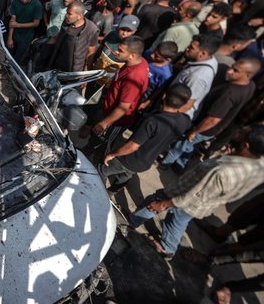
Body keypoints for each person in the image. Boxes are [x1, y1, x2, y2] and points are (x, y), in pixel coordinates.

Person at [129, 126, 264, 259]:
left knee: (155, 203)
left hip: (183, 197)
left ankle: (132, 222)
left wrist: (164, 204)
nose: (237, 131)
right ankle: (168, 247)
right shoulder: (259, 165)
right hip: (203, 205)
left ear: (245, 145)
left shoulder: (223, 172)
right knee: (176, 222)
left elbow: (193, 196)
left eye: (241, 133)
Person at [160, 58, 260, 172]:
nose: (229, 71)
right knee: (190, 146)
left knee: (182, 144)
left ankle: (165, 163)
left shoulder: (229, 94)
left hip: (205, 127)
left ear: (248, 75)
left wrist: (195, 131)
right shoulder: (250, 85)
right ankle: (180, 165)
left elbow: (213, 119)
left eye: (235, 70)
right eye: (232, 67)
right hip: (214, 129)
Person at [100, 83, 192, 191]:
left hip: (127, 159)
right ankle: (112, 192)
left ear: (164, 96)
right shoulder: (185, 122)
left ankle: (98, 191)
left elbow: (133, 146)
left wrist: (112, 154)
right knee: (125, 176)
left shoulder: (153, 121)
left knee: (101, 170)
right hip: (145, 163)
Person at [47, 0, 99, 72]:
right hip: (57, 68)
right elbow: (59, 39)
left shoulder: (91, 30)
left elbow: (91, 53)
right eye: (66, 12)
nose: (66, 15)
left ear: (79, 16)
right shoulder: (67, 22)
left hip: (74, 71)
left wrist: (85, 73)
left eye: (69, 14)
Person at [7, 0, 43, 64]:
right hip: (14, 36)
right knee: (8, 56)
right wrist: (10, 38)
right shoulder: (15, 1)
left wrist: (18, 25)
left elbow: (36, 23)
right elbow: (12, 22)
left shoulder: (37, 5)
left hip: (25, 38)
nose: (23, 0)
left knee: (17, 59)